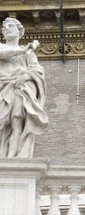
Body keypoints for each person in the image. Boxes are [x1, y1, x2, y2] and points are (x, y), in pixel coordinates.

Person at [0, 17, 48, 158]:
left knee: (17, 123)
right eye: (5, 28)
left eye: (11, 26)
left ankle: (13, 157)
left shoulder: (29, 53)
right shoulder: (4, 47)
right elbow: (2, 54)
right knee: (2, 123)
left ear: (20, 32)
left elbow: (37, 71)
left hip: (19, 89)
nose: (7, 29)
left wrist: (25, 77)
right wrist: (22, 51)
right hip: (2, 87)